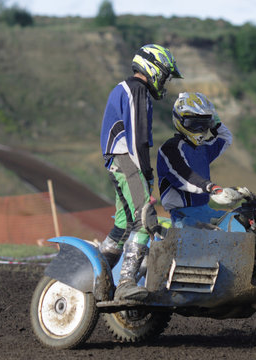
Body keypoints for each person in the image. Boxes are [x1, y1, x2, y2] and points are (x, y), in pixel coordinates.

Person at [99, 44, 182, 301]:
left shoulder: (127, 89)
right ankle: (125, 283)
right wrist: (146, 172)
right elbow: (137, 139)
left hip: (118, 160)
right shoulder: (137, 91)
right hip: (127, 161)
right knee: (145, 220)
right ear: (153, 69)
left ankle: (92, 276)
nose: (165, 81)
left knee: (123, 226)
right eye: (165, 75)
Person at [157, 92, 232, 228]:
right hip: (183, 216)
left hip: (205, 209)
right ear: (180, 120)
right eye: (195, 124)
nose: (201, 129)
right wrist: (211, 187)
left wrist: (215, 121)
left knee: (240, 221)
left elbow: (226, 139)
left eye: (204, 124)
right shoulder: (170, 148)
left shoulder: (203, 148)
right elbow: (184, 176)